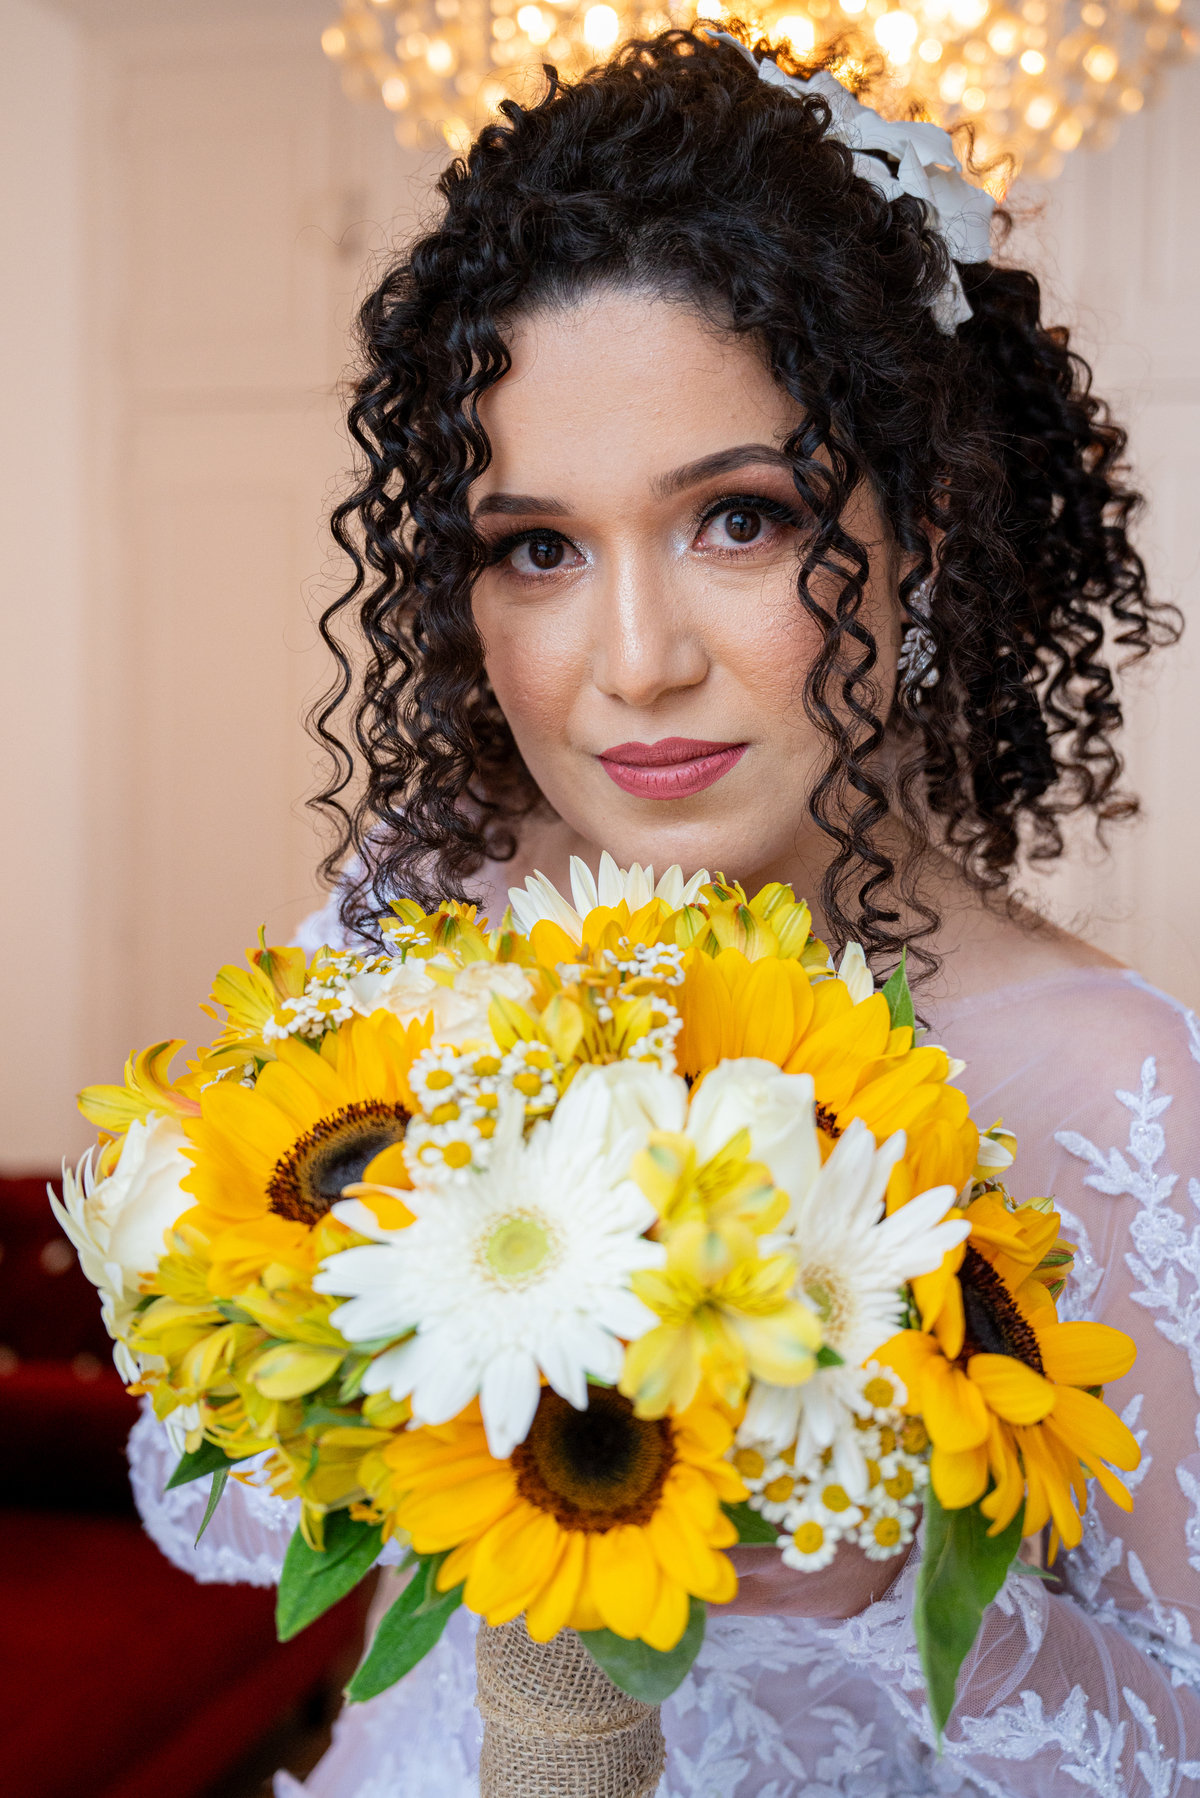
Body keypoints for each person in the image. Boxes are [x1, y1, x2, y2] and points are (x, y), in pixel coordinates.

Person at [127, 26, 1200, 1796]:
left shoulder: (1116, 1090)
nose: (635, 663)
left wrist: (892, 1584)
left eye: (739, 519)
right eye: (537, 546)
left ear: (915, 530)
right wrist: (378, 1359)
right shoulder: (415, 917)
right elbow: (219, 1505)